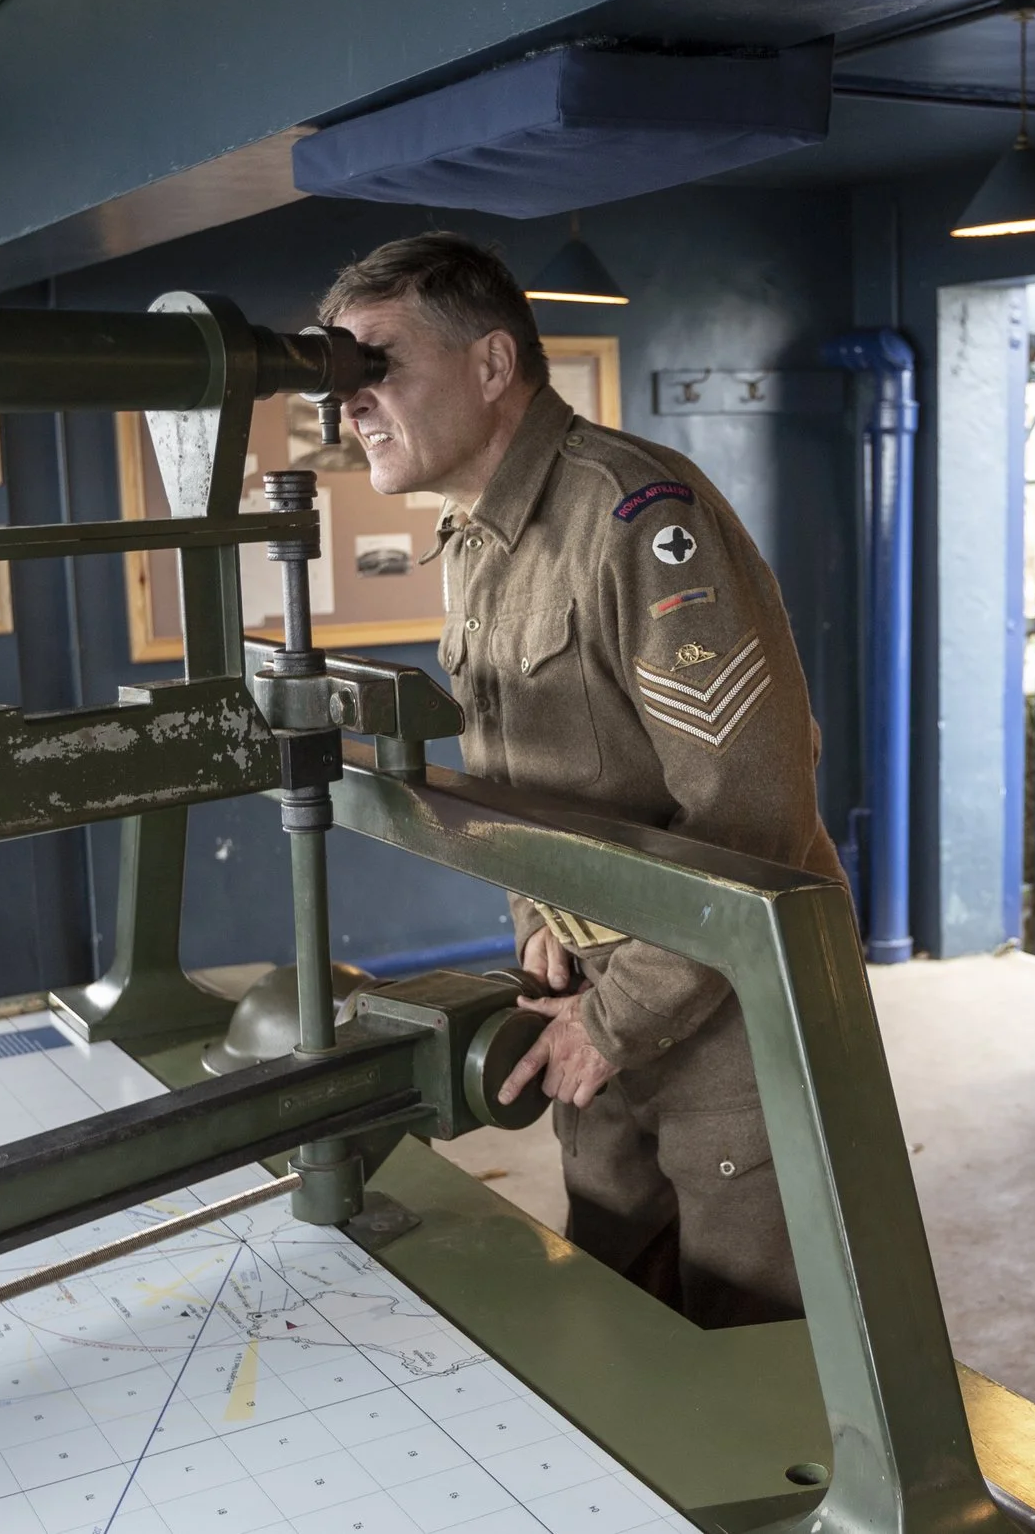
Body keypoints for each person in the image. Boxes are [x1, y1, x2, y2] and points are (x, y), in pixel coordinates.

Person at [321, 231, 845, 1326]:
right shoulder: (475, 537)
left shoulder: (635, 515)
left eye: (377, 368)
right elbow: (529, 775)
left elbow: (752, 810)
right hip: (583, 975)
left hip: (721, 993)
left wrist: (618, 1017)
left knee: (752, 1331)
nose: (352, 406)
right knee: (622, 1306)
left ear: (492, 366)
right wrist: (540, 920)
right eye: (341, 381)